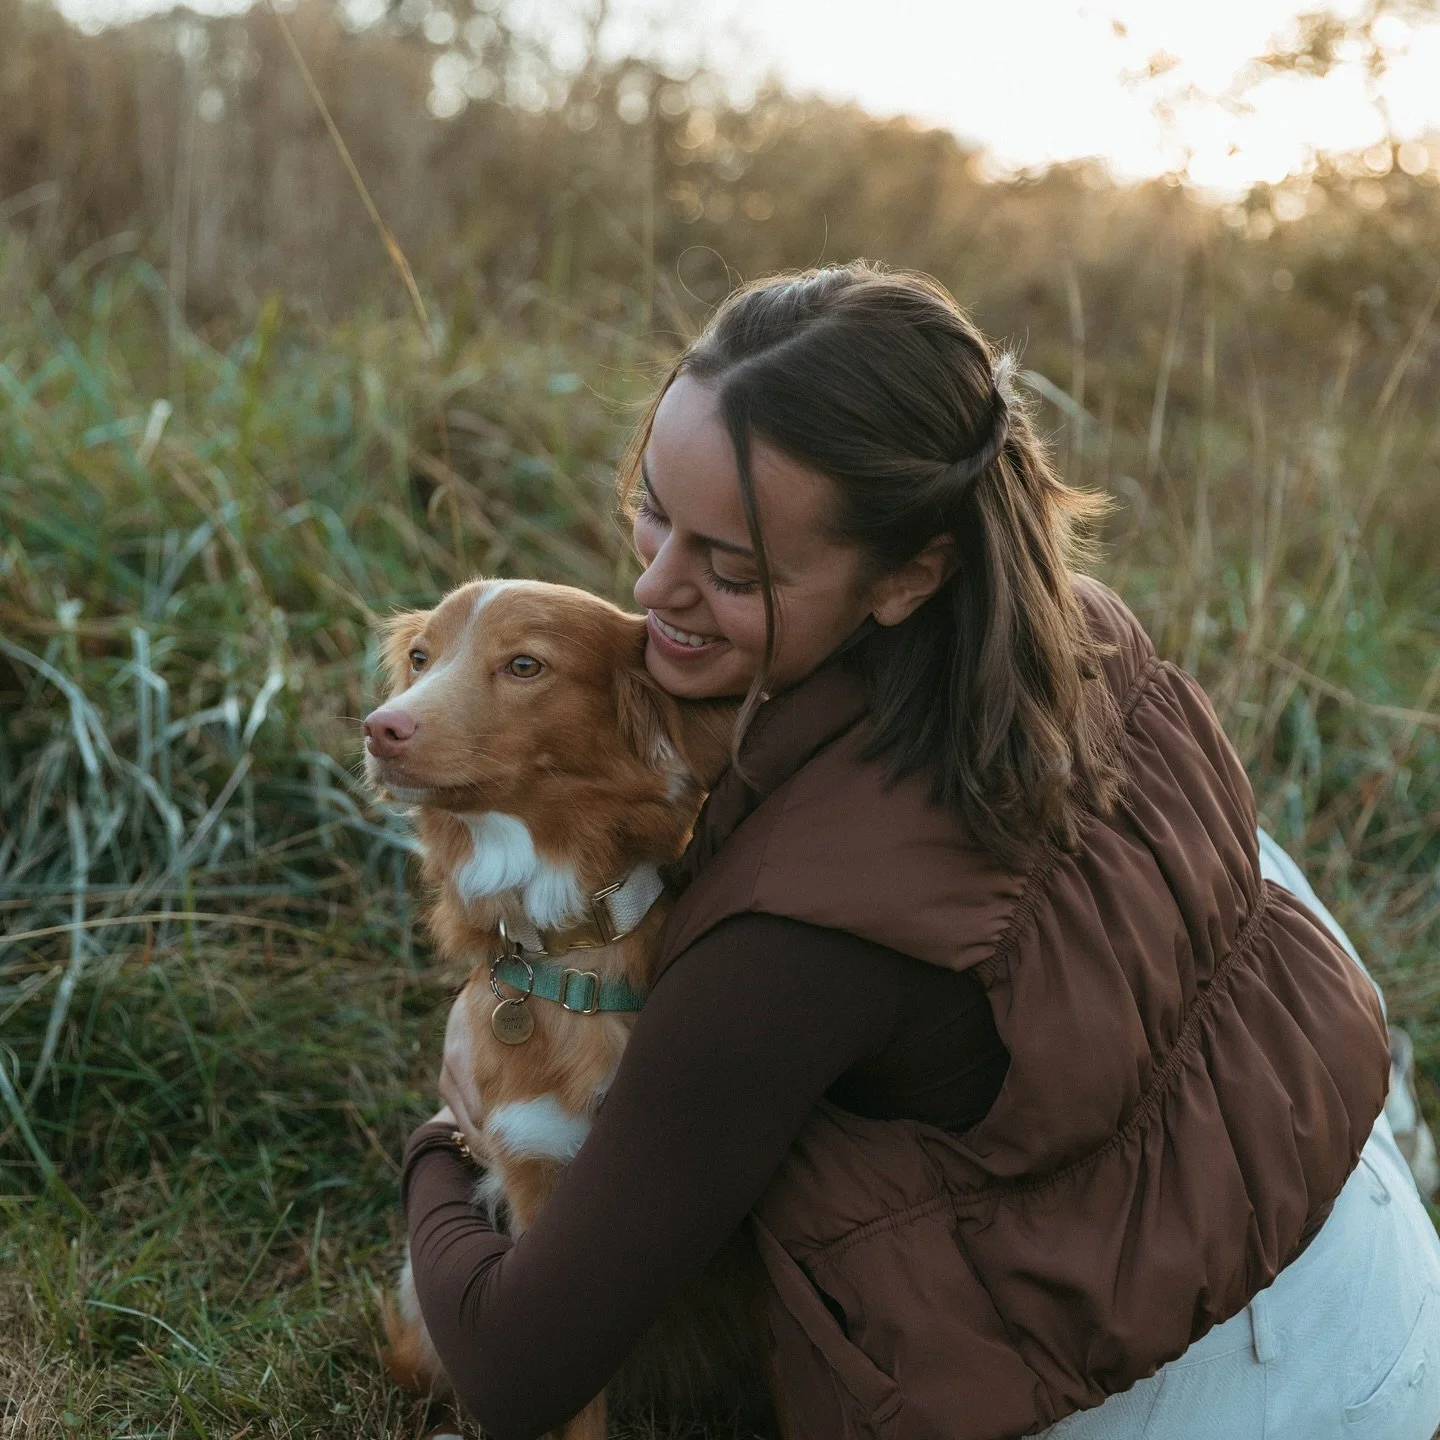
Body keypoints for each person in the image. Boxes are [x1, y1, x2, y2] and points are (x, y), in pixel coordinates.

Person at [400, 263, 1440, 1440]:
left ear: (908, 574)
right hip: (1371, 1271)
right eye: (654, 511)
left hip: (1224, 1406)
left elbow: (517, 1368)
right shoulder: (1080, 636)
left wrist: (452, 1135)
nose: (652, 586)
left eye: (732, 571)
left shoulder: (793, 935)